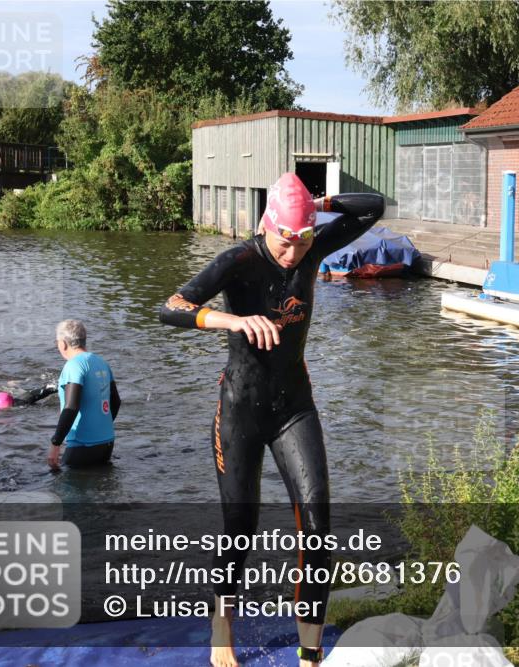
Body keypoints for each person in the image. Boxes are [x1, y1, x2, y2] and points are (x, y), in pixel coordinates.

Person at [159, 173, 385, 667]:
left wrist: (313, 204)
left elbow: (372, 207)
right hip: (240, 410)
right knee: (241, 526)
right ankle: (222, 626)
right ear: (268, 226)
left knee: (318, 522)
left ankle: (309, 653)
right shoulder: (239, 260)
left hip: (294, 408)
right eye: (286, 240)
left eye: (304, 241)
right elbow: (170, 308)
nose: (294, 253)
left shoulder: (312, 245)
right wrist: (233, 320)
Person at [47, 320, 121, 470]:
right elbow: (116, 401)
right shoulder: (101, 362)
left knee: (65, 489)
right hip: (106, 443)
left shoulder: (73, 365)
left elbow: (71, 407)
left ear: (63, 344)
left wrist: (55, 444)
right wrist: (99, 428)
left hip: (82, 445)